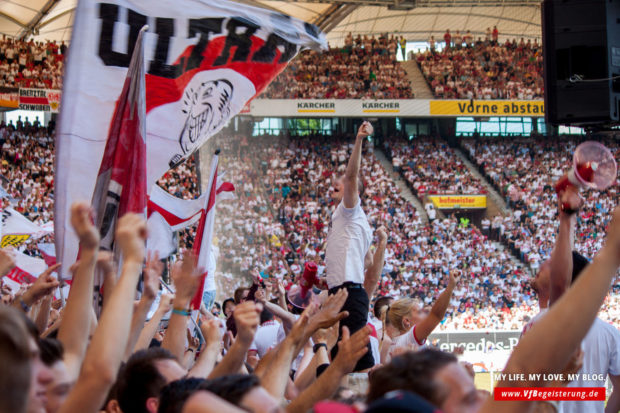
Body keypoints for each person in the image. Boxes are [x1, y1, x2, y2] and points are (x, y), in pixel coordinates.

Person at [325, 121, 375, 372]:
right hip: (343, 293)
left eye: (341, 181)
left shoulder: (350, 209)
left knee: (359, 366)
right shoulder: (350, 219)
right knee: (340, 366)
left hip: (348, 294)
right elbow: (367, 261)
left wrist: (358, 140)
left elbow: (352, 175)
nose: (336, 182)